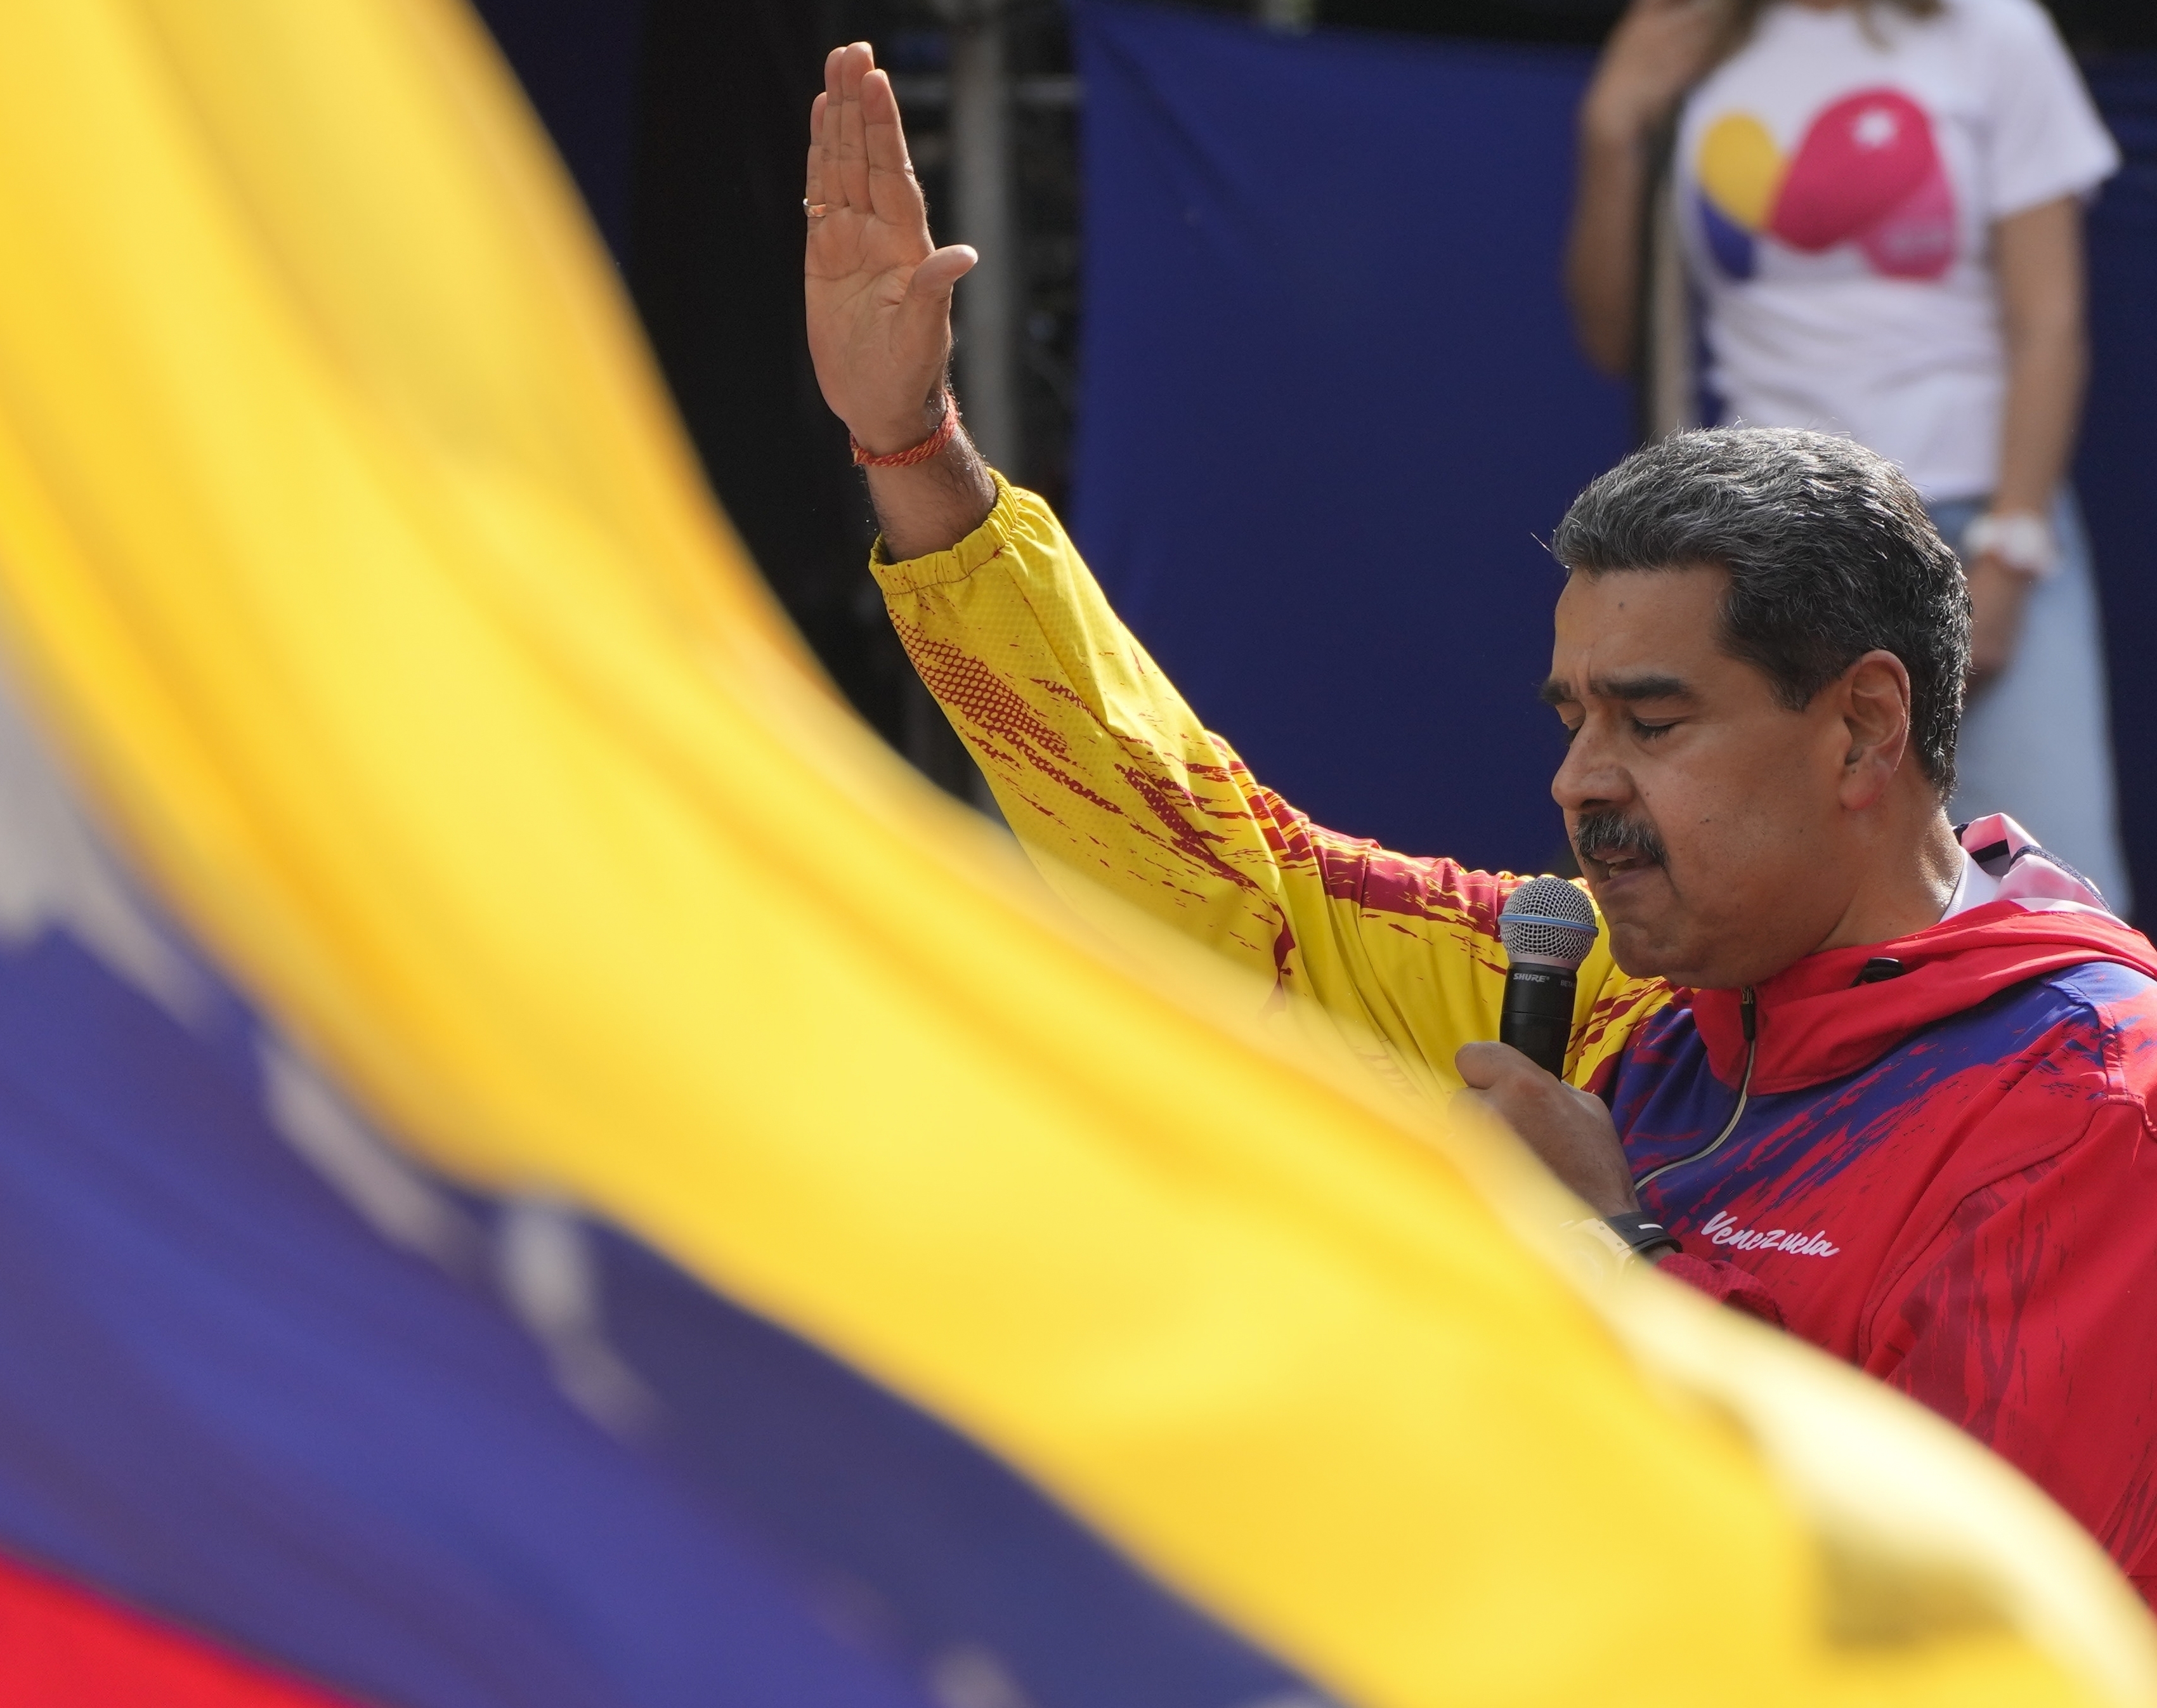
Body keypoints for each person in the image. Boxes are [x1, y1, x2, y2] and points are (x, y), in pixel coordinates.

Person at [803, 42, 2157, 1600]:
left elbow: (1978, 1639)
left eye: (1652, 721)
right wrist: (916, 456)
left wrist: (1604, 1261)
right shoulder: (1591, 995)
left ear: (1859, 727)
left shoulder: (2079, 1104)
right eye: (1570, 719)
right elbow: (1232, 879)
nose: (1582, 781)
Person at [1566, 0, 2131, 910]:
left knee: (2056, 906)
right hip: (1766, 550)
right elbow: (1613, 333)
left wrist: (2011, 554)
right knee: (1755, 896)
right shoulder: (1695, 36)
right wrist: (1611, 129)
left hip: (1972, 521)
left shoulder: (1990, 29)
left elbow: (2050, 323)